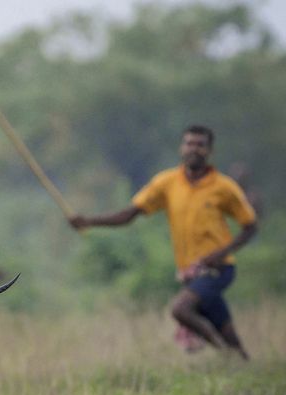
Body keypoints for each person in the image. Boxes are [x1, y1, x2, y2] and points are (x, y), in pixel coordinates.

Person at [69, 125, 258, 359]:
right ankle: (239, 360)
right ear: (181, 148)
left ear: (210, 151)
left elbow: (250, 226)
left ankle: (223, 356)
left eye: (200, 145)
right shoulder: (167, 183)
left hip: (218, 269)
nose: (193, 149)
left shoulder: (224, 187)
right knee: (226, 330)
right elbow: (129, 214)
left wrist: (221, 253)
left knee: (180, 309)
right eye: (189, 143)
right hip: (190, 272)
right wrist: (88, 221)